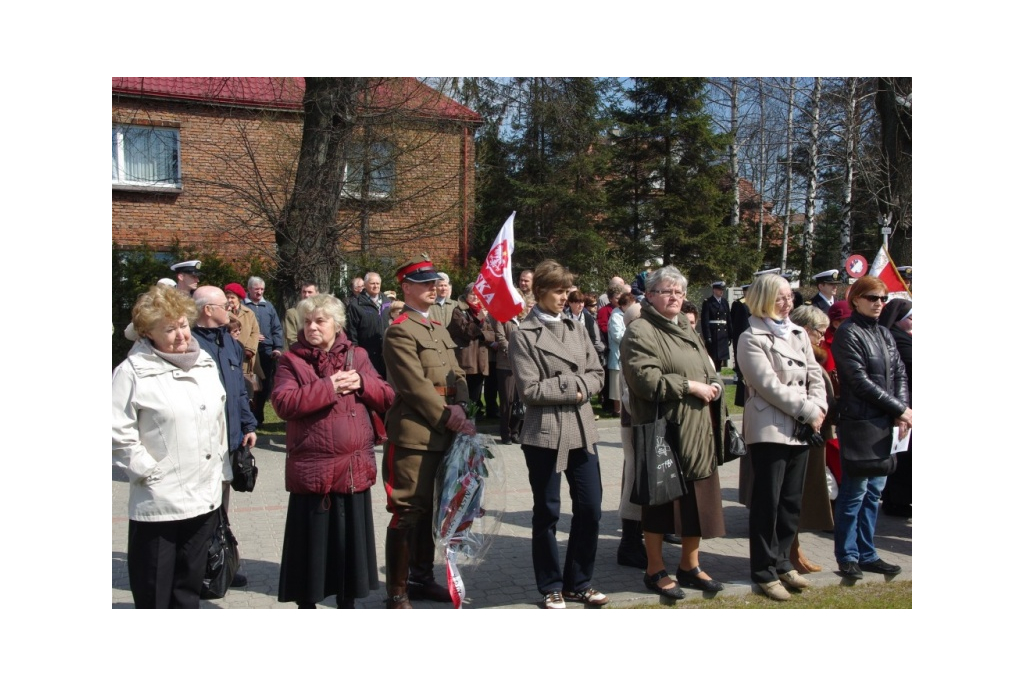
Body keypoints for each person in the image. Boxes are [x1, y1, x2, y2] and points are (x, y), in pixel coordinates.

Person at [271, 294, 394, 609]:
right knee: (311, 549)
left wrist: (363, 382)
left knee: (349, 548)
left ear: (336, 324)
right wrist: (330, 387)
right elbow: (283, 404)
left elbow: (387, 397)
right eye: (307, 321)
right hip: (315, 471)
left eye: (319, 321)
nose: (312, 327)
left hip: (353, 468)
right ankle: (308, 604)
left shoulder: (359, 356)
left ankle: (347, 602)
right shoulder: (292, 360)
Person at [112, 286, 230, 608]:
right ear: (148, 332)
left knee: (188, 593)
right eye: (169, 329)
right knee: (155, 595)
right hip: (159, 505)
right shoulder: (132, 373)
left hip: (204, 499)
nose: (181, 335)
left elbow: (218, 419)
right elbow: (117, 432)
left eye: (182, 324)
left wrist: (222, 469)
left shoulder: (204, 362)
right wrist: (149, 471)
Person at [620, 266, 728, 601]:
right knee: (661, 505)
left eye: (679, 292)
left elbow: (709, 367)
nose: (675, 297)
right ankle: (655, 568)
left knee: (697, 504)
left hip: (698, 430)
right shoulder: (640, 330)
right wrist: (689, 386)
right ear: (650, 295)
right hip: (664, 431)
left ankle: (689, 565)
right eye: (667, 291)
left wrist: (714, 384)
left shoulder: (686, 326)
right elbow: (644, 380)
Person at [509, 259, 608, 609]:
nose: (565, 297)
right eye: (558, 291)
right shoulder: (523, 334)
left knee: (591, 509)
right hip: (545, 433)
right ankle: (551, 585)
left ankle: (579, 582)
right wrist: (577, 387)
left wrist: (579, 387)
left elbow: (598, 373)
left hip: (582, 428)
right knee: (548, 512)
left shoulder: (577, 327)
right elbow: (531, 390)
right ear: (539, 292)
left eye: (568, 291)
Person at [381, 254, 475, 608]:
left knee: (433, 511)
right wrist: (449, 415)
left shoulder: (436, 328)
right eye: (424, 283)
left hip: (445, 432)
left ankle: (422, 579)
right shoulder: (400, 329)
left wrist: (463, 407)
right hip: (415, 435)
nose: (433, 287)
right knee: (408, 510)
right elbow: (413, 385)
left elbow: (458, 372)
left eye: (435, 283)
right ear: (406, 288)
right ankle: (397, 592)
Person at [736, 273, 827, 601]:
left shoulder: (799, 333)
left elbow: (814, 374)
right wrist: (808, 410)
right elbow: (768, 385)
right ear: (763, 299)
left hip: (802, 428)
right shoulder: (751, 337)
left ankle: (783, 561)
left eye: (790, 297)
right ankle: (763, 571)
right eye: (781, 298)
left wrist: (818, 406)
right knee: (768, 502)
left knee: (790, 502)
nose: (788, 303)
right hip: (771, 429)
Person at [831, 275, 911, 580]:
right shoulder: (848, 333)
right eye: (873, 298)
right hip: (860, 422)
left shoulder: (884, 333)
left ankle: (868, 552)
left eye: (883, 299)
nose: (879, 304)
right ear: (856, 300)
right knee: (855, 492)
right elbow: (859, 381)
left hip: (884, 422)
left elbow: (899, 372)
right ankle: (847, 555)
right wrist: (899, 408)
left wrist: (901, 410)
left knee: (874, 491)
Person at [192, 285, 258, 589]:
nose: (230, 310)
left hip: (230, 439)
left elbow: (239, 389)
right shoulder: (189, 345)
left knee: (221, 505)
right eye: (224, 305)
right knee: (200, 508)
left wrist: (248, 425)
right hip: (201, 443)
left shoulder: (228, 343)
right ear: (208, 310)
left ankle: (220, 564)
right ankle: (200, 568)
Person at [787, 304, 838, 573]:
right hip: (798, 435)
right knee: (792, 501)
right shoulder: (794, 355)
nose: (822, 337)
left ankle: (796, 552)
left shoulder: (814, 355)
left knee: (802, 502)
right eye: (819, 332)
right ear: (805, 330)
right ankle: (790, 554)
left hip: (814, 435)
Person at [879, 299, 912, 518]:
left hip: (903, 404)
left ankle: (896, 499)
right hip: (903, 405)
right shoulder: (899, 340)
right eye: (910, 318)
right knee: (903, 458)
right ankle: (896, 501)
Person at [245, 276, 284, 426]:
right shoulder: (243, 306)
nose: (259, 292)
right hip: (249, 351)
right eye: (256, 289)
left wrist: (278, 348)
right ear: (249, 289)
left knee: (265, 384)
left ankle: (259, 416)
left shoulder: (268, 307)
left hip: (266, 351)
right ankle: (249, 415)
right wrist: (253, 336)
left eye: (262, 289)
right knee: (250, 384)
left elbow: (276, 329)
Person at [448, 284, 495, 409]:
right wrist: (479, 319)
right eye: (472, 294)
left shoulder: (483, 310)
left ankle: (474, 415)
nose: (476, 297)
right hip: (467, 357)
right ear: (466, 295)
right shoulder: (458, 311)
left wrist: (480, 335)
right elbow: (467, 332)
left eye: (478, 295)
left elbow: (491, 334)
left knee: (477, 389)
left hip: (480, 357)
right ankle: (465, 414)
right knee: (465, 389)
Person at [224, 282, 263, 399]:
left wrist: (250, 349)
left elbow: (255, 332)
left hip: (247, 357)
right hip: (229, 354)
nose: (229, 300)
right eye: (227, 297)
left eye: (232, 297)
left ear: (239, 298)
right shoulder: (223, 313)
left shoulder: (249, 313)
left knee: (250, 388)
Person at [346, 272, 387, 379]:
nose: (376, 286)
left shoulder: (387, 301)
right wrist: (356, 354)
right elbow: (352, 332)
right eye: (372, 283)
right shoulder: (356, 305)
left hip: (386, 354)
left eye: (378, 283)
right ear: (365, 284)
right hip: (367, 355)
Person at [606, 292, 636, 418]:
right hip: (617, 355)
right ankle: (617, 411)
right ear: (624, 305)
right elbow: (617, 336)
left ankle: (627, 409)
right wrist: (633, 335)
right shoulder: (616, 317)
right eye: (630, 305)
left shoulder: (628, 314)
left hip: (629, 355)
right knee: (616, 388)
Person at [700, 281, 732, 372]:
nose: (721, 291)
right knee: (713, 357)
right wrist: (708, 336)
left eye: (722, 289)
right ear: (714, 290)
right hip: (713, 333)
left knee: (720, 358)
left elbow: (728, 319)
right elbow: (705, 320)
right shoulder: (708, 302)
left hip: (723, 334)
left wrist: (730, 335)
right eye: (719, 289)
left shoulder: (725, 302)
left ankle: (718, 375)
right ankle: (712, 375)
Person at [284, 281, 319, 347]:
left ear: (317, 294)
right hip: (300, 352)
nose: (306, 295)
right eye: (304, 292)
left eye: (310, 292)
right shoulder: (292, 313)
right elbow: (292, 339)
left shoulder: (322, 313)